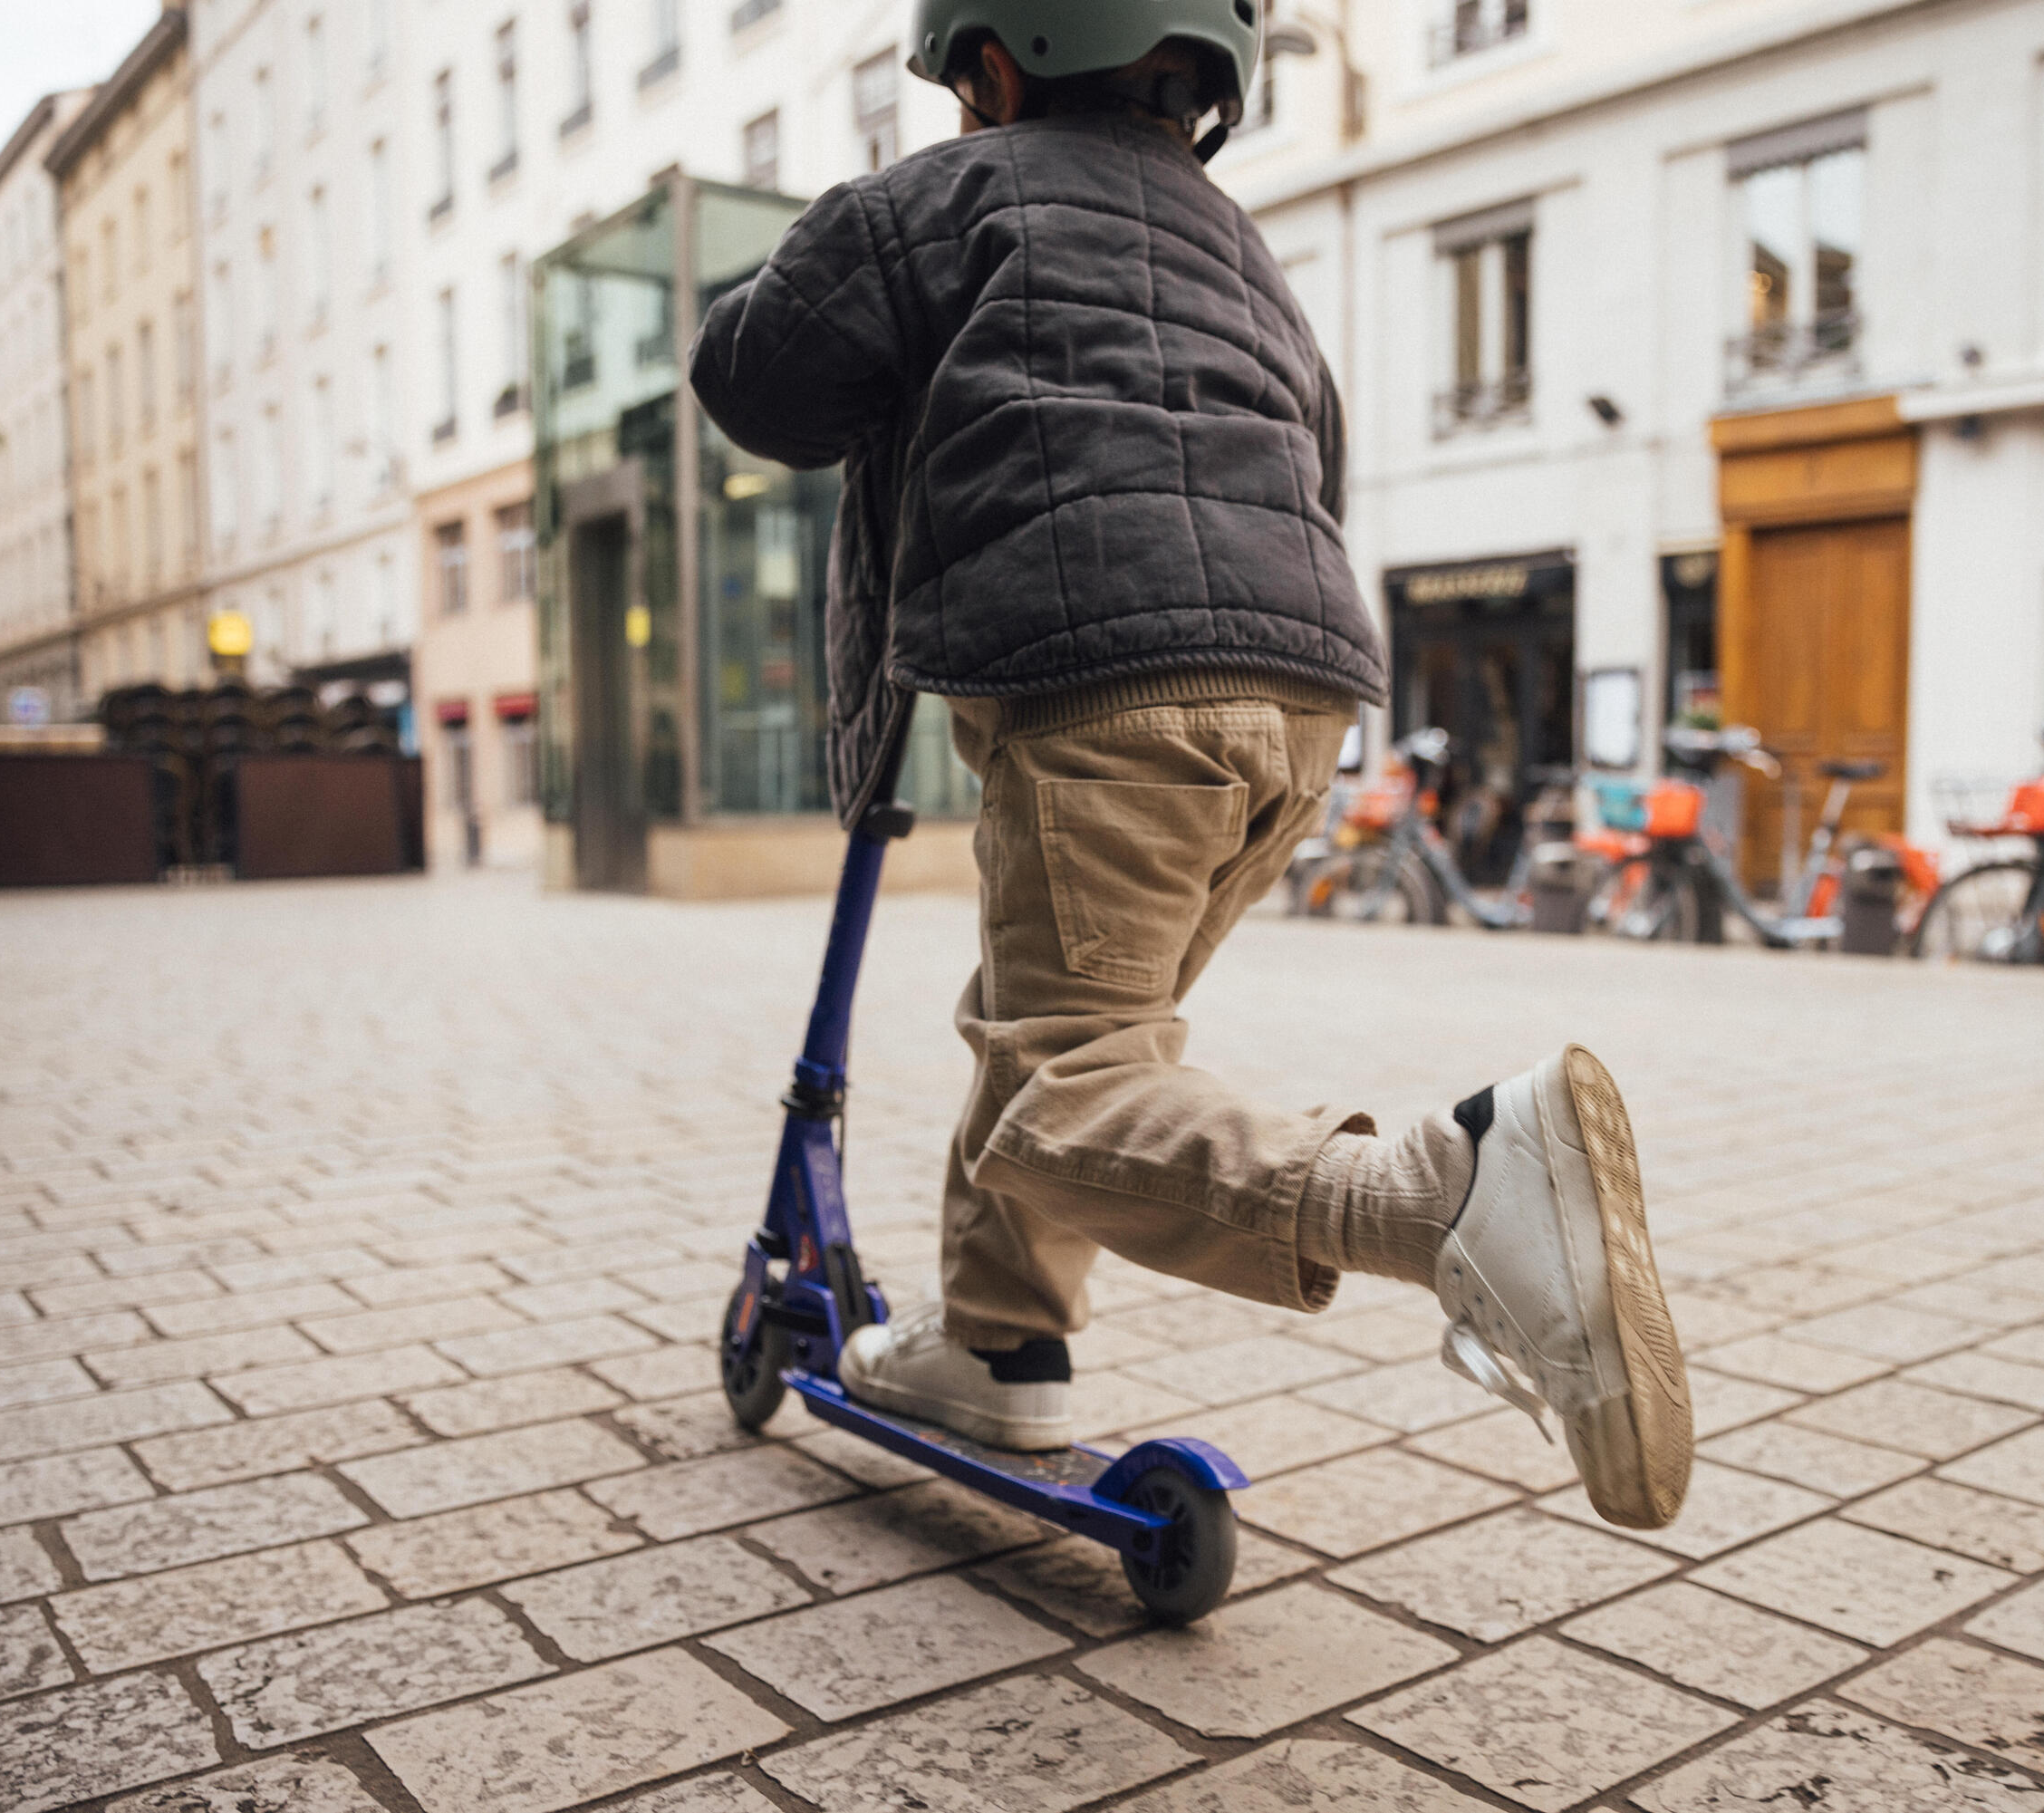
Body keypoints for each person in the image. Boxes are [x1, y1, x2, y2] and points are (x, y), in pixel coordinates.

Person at [689, 0, 1690, 1529]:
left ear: (995, 64)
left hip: (1107, 692)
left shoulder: (944, 199)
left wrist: (858, 249)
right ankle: (999, 1340)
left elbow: (754, 380)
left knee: (1057, 1093)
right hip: (1299, 703)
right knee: (1076, 1035)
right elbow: (1317, 457)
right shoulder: (1246, 254)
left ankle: (1441, 1193)